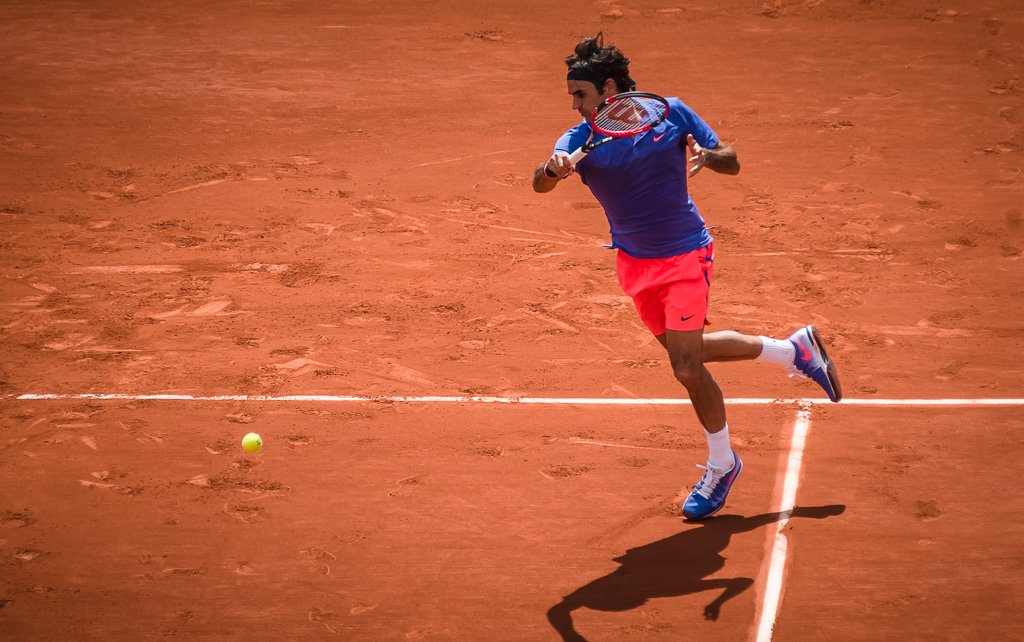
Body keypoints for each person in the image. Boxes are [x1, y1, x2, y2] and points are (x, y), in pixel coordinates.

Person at [532, 33, 842, 521]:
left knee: (686, 368)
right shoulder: (577, 141)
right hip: (634, 264)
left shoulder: (671, 113)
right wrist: (554, 170)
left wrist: (708, 157)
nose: (574, 105)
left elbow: (731, 161)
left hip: (685, 255)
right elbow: (540, 184)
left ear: (609, 88)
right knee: (689, 351)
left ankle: (722, 465)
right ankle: (793, 351)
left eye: (580, 94)